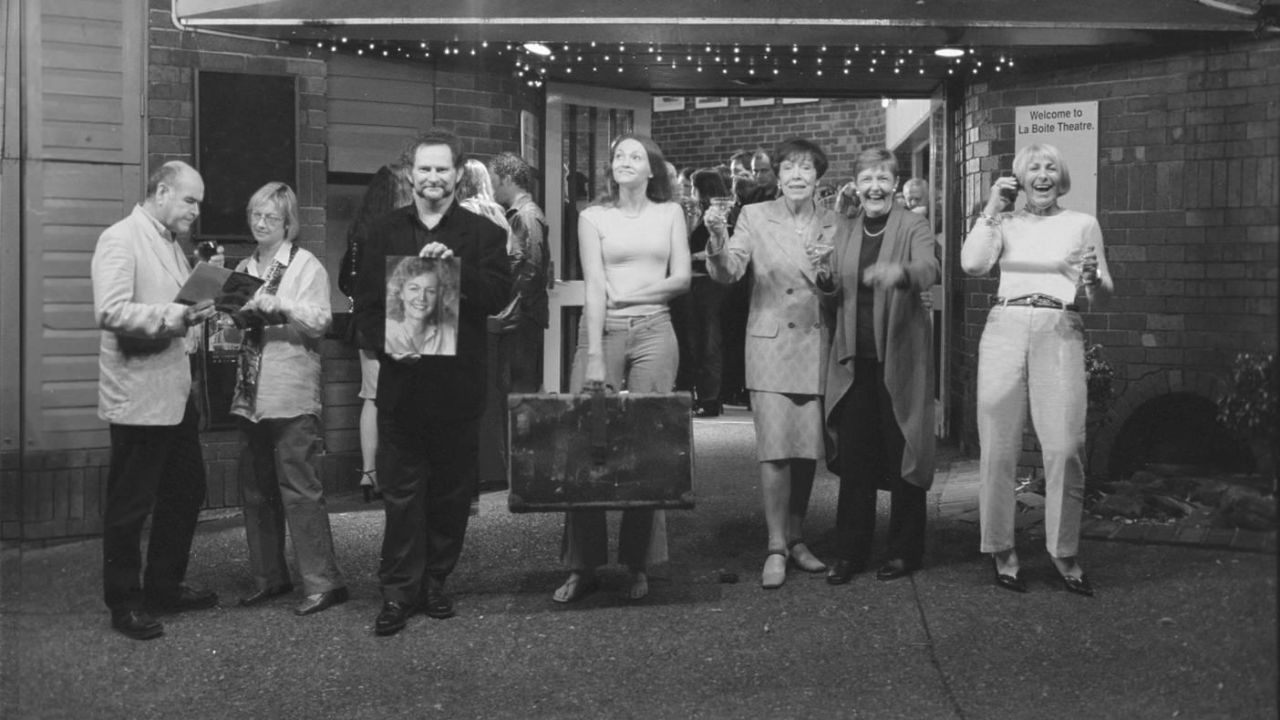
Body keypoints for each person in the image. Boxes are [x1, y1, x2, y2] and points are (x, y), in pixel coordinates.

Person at [351, 128, 512, 635]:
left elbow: (498, 296)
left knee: (448, 494)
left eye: (443, 169)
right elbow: (365, 311)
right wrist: (386, 343)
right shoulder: (381, 233)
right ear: (410, 174)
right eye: (425, 169)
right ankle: (398, 592)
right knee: (401, 496)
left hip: (457, 386)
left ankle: (436, 581)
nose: (433, 178)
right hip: (402, 385)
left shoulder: (483, 234)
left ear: (458, 174)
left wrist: (455, 274)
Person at [961, 143, 1113, 596]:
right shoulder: (1002, 221)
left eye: (1050, 167)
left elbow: (1101, 295)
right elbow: (972, 264)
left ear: (1061, 176)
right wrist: (990, 207)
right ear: (1019, 179)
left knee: (1066, 446)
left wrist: (1091, 280)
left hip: (1059, 326)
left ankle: (1063, 551)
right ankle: (1001, 549)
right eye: (1033, 168)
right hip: (1005, 326)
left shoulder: (1082, 223)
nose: (1042, 175)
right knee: (998, 448)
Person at [553, 133, 691, 604]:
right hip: (602, 331)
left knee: (649, 447)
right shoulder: (593, 217)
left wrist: (633, 296)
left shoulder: (670, 213)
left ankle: (639, 562)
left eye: (635, 155)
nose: (624, 161)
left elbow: (681, 279)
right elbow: (595, 285)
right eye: (617, 156)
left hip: (655, 330)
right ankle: (582, 565)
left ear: (653, 168)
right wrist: (592, 353)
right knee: (586, 446)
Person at [91, 160, 219, 640]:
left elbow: (174, 309)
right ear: (162, 191)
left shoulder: (170, 242)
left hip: (174, 393)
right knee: (130, 505)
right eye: (190, 200)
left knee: (187, 490)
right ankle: (124, 603)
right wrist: (177, 317)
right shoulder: (121, 238)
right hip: (139, 394)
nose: (196, 210)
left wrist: (196, 310)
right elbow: (112, 310)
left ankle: (164, 586)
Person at [704, 138, 837, 588]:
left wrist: (828, 277)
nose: (797, 175)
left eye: (806, 168)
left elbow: (838, 286)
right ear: (777, 176)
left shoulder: (835, 222)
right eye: (789, 168)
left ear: (818, 176)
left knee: (806, 451)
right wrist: (718, 237)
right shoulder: (754, 216)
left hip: (817, 345)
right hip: (771, 344)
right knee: (775, 450)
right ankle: (776, 544)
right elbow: (729, 271)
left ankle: (798, 538)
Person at [229, 182, 347, 616]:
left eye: (271, 218)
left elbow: (321, 321)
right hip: (251, 393)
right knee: (256, 491)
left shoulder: (305, 265)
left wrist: (281, 307)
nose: (261, 223)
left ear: (288, 223)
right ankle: (269, 577)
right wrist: (235, 316)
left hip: (290, 391)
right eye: (256, 215)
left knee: (299, 489)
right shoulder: (244, 266)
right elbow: (236, 328)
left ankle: (323, 581)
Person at [822, 147, 939, 586]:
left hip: (901, 358)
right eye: (867, 178)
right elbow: (831, 287)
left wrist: (899, 273)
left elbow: (930, 268)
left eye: (883, 179)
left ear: (895, 185)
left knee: (902, 448)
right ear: (856, 184)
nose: (875, 187)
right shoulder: (845, 228)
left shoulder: (913, 225)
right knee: (856, 460)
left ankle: (905, 551)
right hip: (855, 361)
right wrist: (822, 279)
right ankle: (849, 552)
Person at [339, 164, 414, 502]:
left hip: (366, 325)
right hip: (400, 318)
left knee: (371, 397)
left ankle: (370, 474)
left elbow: (346, 280)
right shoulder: (401, 231)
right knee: (398, 398)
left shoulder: (360, 231)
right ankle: (395, 470)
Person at [490, 151, 551, 392]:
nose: (492, 186)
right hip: (521, 314)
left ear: (506, 179)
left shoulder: (526, 215)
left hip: (522, 317)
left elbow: (533, 264)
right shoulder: (520, 213)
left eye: (494, 179)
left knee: (520, 388)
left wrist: (515, 302)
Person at [679, 168, 733, 417]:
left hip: (710, 283)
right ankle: (700, 395)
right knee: (694, 342)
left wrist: (691, 256)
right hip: (694, 283)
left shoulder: (720, 214)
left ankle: (711, 398)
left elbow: (721, 246)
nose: (691, 192)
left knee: (709, 341)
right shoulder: (696, 213)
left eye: (693, 187)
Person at [383, 256, 458, 356]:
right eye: (414, 289)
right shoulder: (387, 332)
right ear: (400, 292)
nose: (422, 298)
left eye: (430, 291)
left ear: (439, 295)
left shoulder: (448, 334)